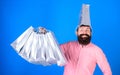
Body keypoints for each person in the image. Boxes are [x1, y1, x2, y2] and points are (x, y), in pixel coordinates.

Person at [59, 4, 112, 75]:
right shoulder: (68, 45)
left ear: (91, 33)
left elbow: (107, 71)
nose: (85, 33)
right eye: (81, 30)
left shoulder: (97, 51)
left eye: (87, 30)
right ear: (76, 32)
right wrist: (45, 35)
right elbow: (53, 50)